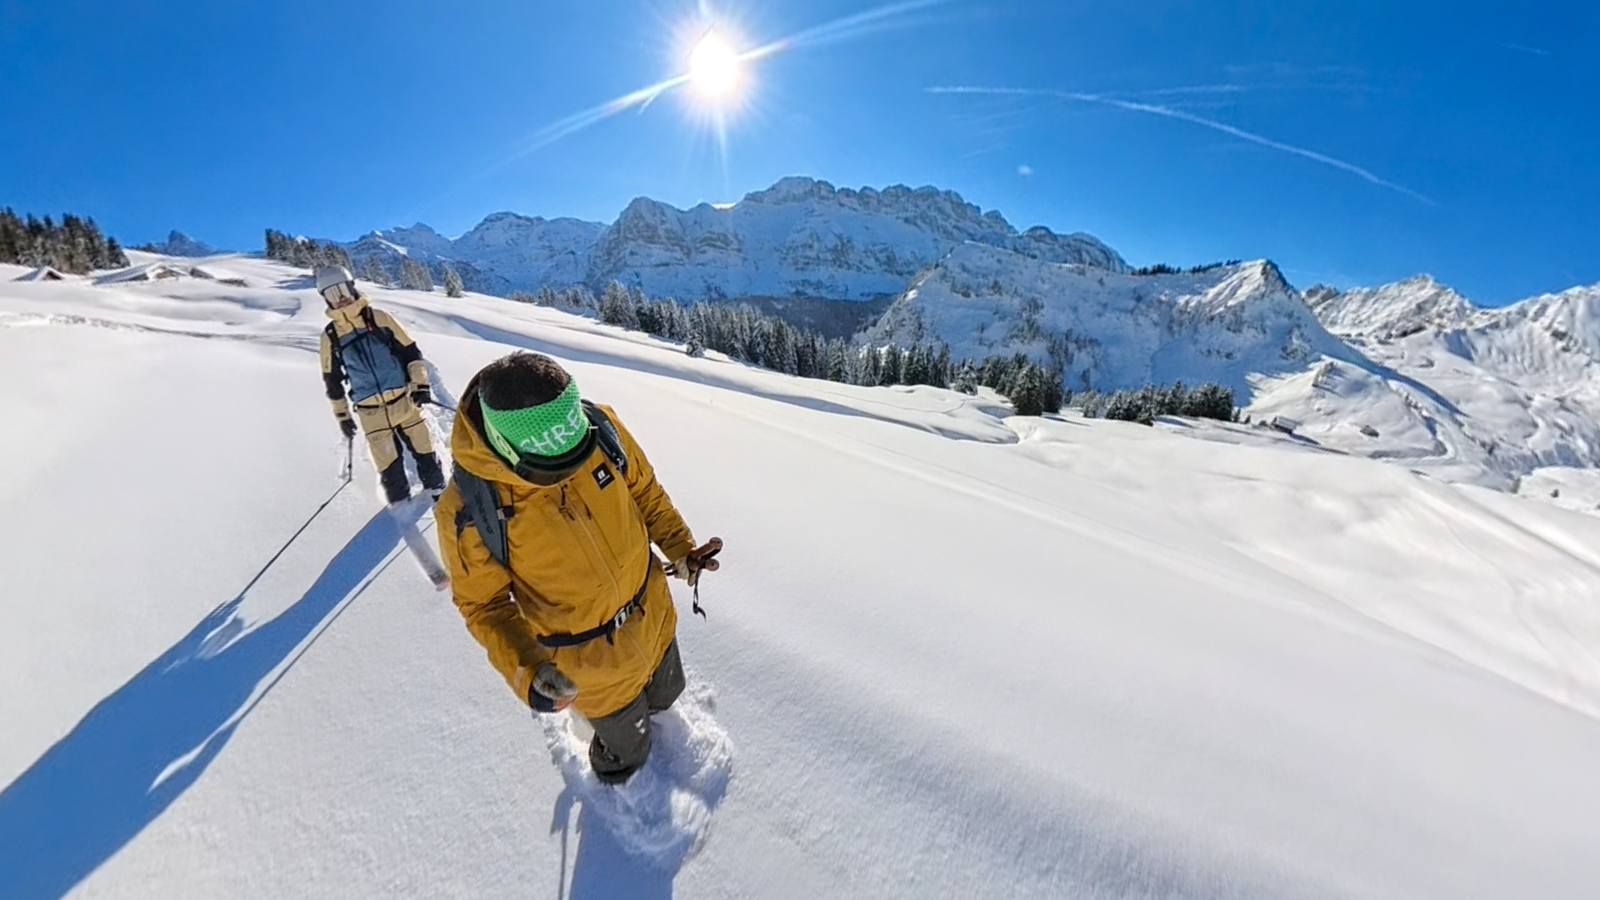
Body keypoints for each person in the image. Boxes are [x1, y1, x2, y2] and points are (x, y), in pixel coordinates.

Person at [436, 351, 722, 784]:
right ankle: (611, 772)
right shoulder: (469, 511)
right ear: (507, 446)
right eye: (553, 467)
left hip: (656, 622)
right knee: (628, 752)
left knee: (667, 696)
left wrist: (681, 549)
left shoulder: (598, 428)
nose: (572, 470)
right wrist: (528, 671)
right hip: (591, 669)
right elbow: (484, 606)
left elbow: (645, 493)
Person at [315, 265, 446, 504]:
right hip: (371, 413)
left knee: (426, 456)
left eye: (342, 289)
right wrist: (343, 417)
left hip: (404, 401)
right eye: (332, 294)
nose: (341, 298)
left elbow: (411, 352)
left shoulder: (380, 318)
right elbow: (332, 381)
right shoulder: (330, 337)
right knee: (390, 472)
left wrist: (420, 385)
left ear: (352, 287)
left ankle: (441, 499)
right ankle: (401, 513)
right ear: (326, 299)